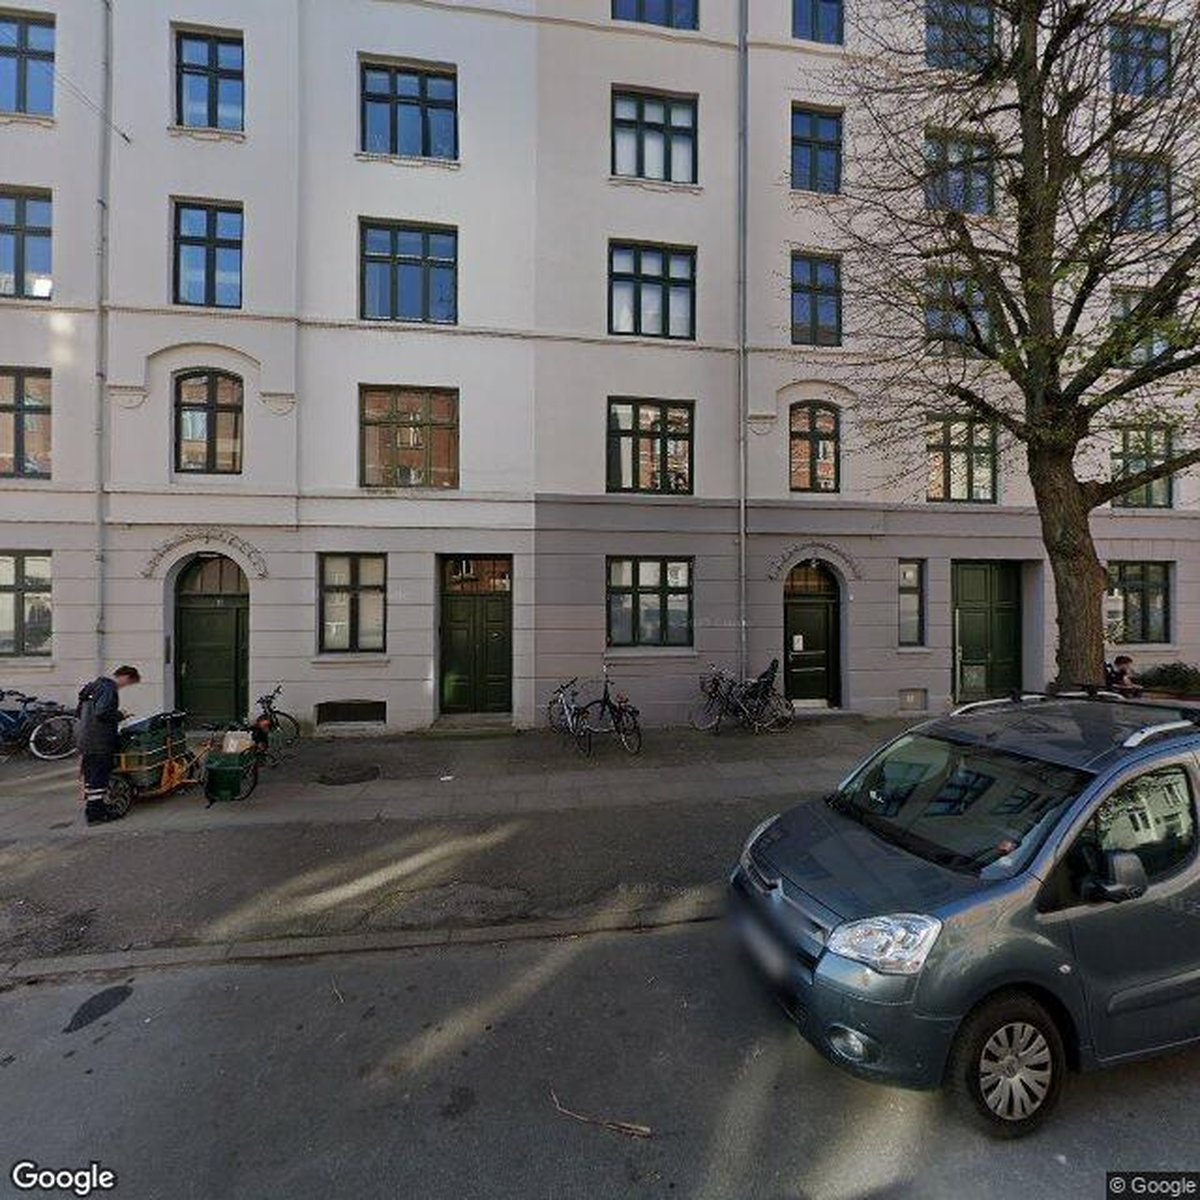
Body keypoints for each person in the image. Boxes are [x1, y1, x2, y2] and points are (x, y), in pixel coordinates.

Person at [77, 665, 141, 825]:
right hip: (100, 740)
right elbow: (102, 712)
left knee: (91, 777)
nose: (126, 686)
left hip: (86, 738)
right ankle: (96, 814)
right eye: (129, 683)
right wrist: (121, 715)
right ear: (125, 677)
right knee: (99, 776)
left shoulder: (93, 686)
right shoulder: (109, 689)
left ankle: (95, 809)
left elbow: (79, 712)